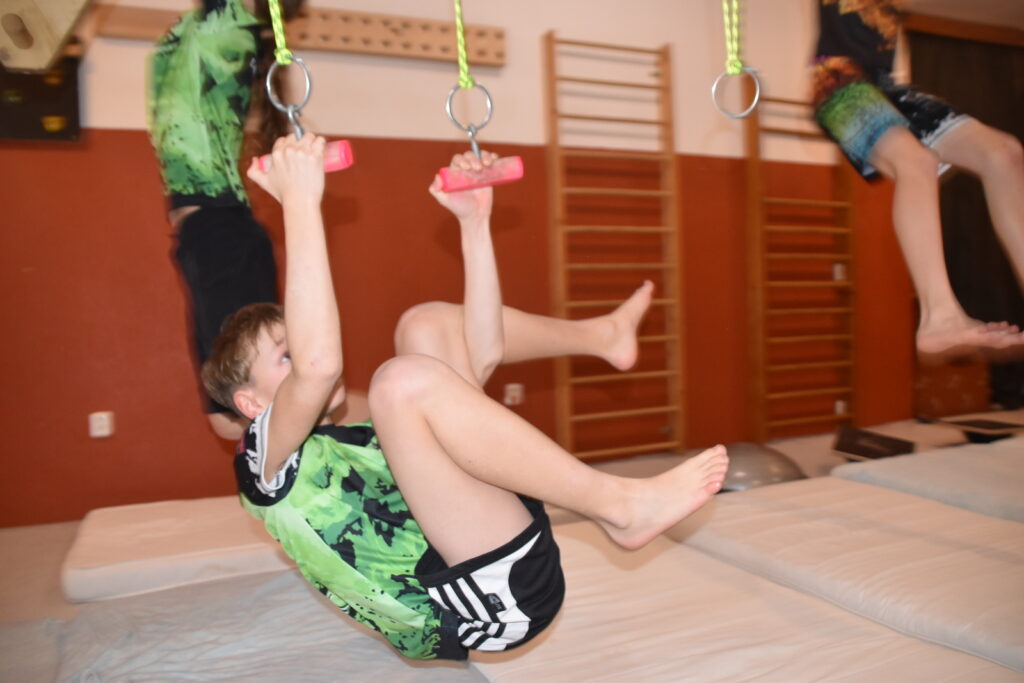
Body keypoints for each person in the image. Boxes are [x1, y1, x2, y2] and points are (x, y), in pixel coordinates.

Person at [201, 135, 729, 660]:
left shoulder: (349, 436)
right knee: (399, 381)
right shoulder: (262, 465)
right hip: (476, 602)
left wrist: (475, 223)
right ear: (251, 405)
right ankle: (619, 507)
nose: (303, 357)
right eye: (285, 356)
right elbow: (319, 366)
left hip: (504, 551)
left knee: (424, 326)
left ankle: (603, 337)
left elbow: (481, 357)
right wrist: (299, 202)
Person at [811, 0, 1024, 361]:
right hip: (837, 82)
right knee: (917, 162)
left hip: (888, 88)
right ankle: (939, 318)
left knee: (1004, 153)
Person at [147, 0, 305, 440]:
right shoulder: (202, 32)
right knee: (231, 416)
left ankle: (384, 421)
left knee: (235, 418)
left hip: (221, 239)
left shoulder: (226, 34)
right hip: (211, 238)